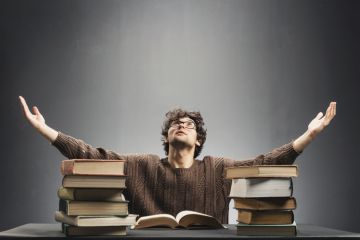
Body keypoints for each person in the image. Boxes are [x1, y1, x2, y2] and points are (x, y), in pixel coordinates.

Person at [18, 96, 336, 223]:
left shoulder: (219, 168)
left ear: (198, 140)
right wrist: (47, 130)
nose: (181, 124)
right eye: (175, 123)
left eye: (189, 124)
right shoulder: (140, 166)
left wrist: (307, 136)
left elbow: (264, 162)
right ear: (167, 137)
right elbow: (92, 155)